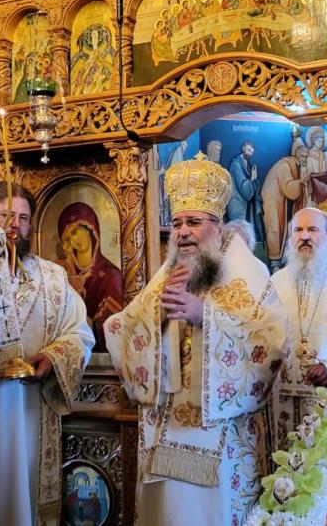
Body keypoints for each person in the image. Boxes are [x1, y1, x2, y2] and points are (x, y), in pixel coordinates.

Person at [104, 156, 287, 525]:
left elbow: (271, 342)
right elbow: (120, 328)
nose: (183, 232)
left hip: (219, 433)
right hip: (165, 432)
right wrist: (155, 316)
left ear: (217, 227)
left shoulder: (249, 272)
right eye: (177, 223)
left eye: (194, 222)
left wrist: (206, 315)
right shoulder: (167, 274)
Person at [0, 182, 95, 526]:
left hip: (32, 413)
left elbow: (80, 333)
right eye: (5, 215)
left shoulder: (53, 278)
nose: (14, 224)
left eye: (23, 217)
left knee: (24, 500)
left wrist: (53, 358)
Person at [269, 207, 327, 444]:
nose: (304, 236)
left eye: (312, 229)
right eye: (298, 230)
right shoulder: (276, 281)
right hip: (282, 395)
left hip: (326, 393)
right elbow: (262, 334)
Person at [56, 202, 124, 353]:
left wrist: (88, 323)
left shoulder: (111, 275)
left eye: (75, 232)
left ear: (90, 229)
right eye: (69, 238)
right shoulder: (60, 273)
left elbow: (117, 325)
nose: (74, 240)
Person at [261, 145, 308, 270]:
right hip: (271, 199)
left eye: (306, 156)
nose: (304, 159)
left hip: (280, 199)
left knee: (281, 228)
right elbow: (288, 188)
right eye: (302, 156)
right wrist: (301, 181)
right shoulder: (285, 166)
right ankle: (274, 264)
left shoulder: (296, 166)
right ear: (296, 156)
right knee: (274, 228)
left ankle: (279, 261)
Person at [226, 140, 266, 248]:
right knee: (238, 233)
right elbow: (244, 189)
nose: (249, 153)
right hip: (237, 203)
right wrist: (252, 179)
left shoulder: (248, 164)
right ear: (243, 148)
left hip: (245, 205)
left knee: (246, 234)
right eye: (248, 150)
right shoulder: (236, 163)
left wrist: (254, 180)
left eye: (251, 152)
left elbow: (252, 184)